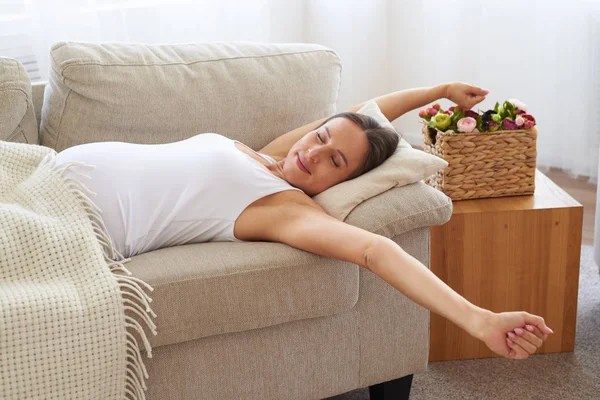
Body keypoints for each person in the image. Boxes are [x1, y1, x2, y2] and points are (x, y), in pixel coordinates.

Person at [55, 81, 553, 361]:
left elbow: (374, 251)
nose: (315, 154)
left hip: (68, 225)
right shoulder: (266, 157)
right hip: (39, 177)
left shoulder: (283, 206)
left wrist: (479, 319)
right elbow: (361, 115)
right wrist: (439, 90)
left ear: (338, 183)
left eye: (335, 162)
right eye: (320, 138)